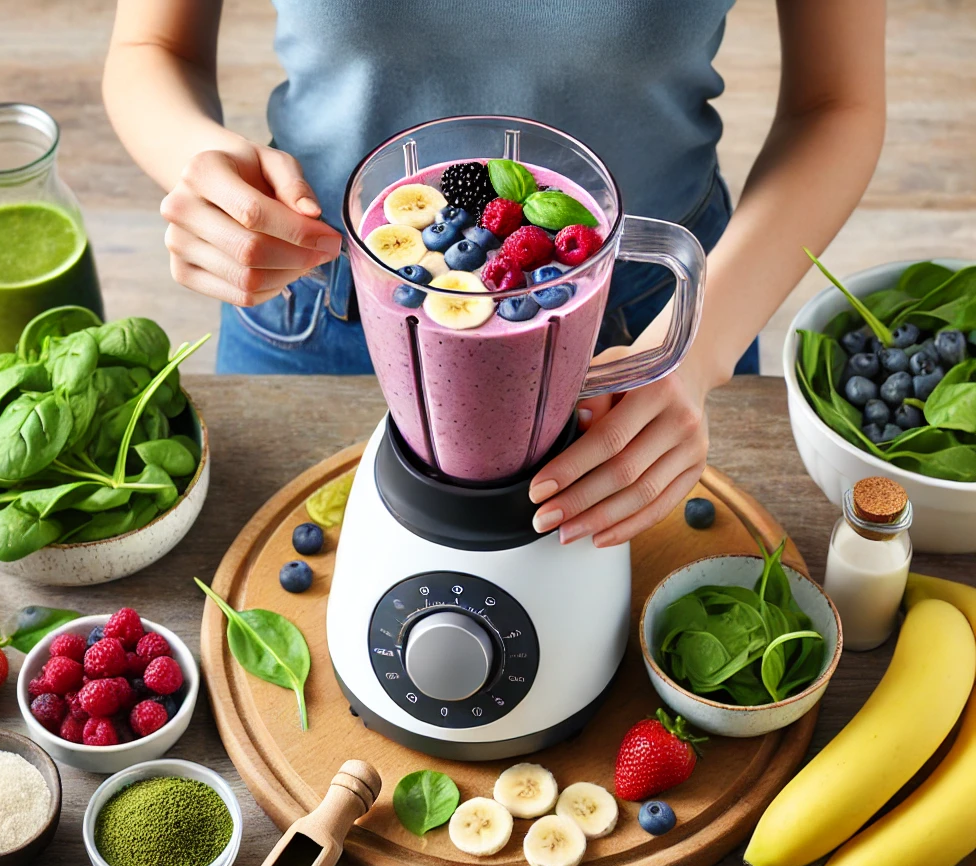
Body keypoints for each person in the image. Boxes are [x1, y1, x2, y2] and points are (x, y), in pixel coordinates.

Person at [103, 0, 885, 546]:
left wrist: (697, 348)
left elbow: (836, 102)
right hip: (319, 307)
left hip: (644, 336)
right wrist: (203, 172)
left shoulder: (670, 343)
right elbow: (152, 50)